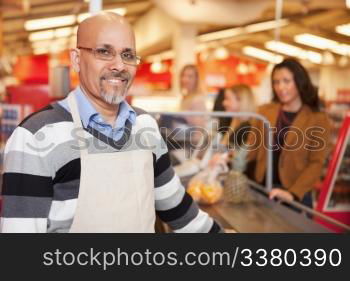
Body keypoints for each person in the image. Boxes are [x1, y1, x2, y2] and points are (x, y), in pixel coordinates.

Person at [0, 12, 223, 233]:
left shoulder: (145, 125)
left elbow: (175, 205)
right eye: (104, 52)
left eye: (127, 55)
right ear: (77, 59)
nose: (119, 65)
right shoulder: (35, 136)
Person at [246, 58, 331, 208]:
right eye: (276, 82)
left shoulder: (317, 118)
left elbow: (316, 163)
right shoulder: (265, 111)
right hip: (262, 187)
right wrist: (229, 158)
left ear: (299, 82)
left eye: (286, 81)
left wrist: (292, 193)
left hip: (295, 195)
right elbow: (251, 148)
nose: (280, 87)